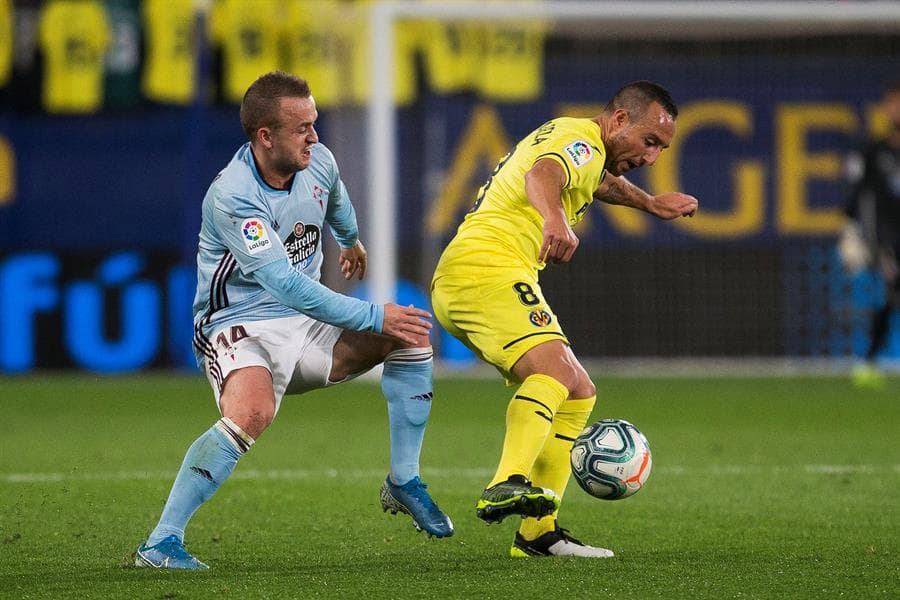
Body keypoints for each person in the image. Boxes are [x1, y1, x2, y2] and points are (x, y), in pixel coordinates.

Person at [134, 71, 453, 570]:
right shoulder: (234, 196)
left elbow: (335, 196)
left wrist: (350, 239)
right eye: (302, 128)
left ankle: (404, 480)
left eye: (315, 123)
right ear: (265, 136)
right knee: (252, 414)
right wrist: (371, 312)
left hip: (303, 327)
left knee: (408, 336)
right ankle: (159, 543)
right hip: (236, 324)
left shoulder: (317, 160)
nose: (315, 137)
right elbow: (284, 285)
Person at [431, 81, 698, 558]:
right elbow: (544, 174)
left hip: (480, 272)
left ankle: (538, 533)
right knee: (554, 371)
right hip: (484, 268)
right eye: (650, 142)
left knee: (578, 390)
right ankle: (506, 482)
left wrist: (651, 204)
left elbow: (599, 181)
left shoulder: (590, 151)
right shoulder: (576, 139)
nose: (653, 158)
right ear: (618, 120)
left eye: (661, 149)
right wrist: (554, 219)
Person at [842, 80, 900, 388]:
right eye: (894, 101)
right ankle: (868, 363)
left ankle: (869, 361)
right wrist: (852, 233)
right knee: (892, 295)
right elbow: (855, 197)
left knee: (893, 299)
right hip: (890, 239)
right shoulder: (874, 151)